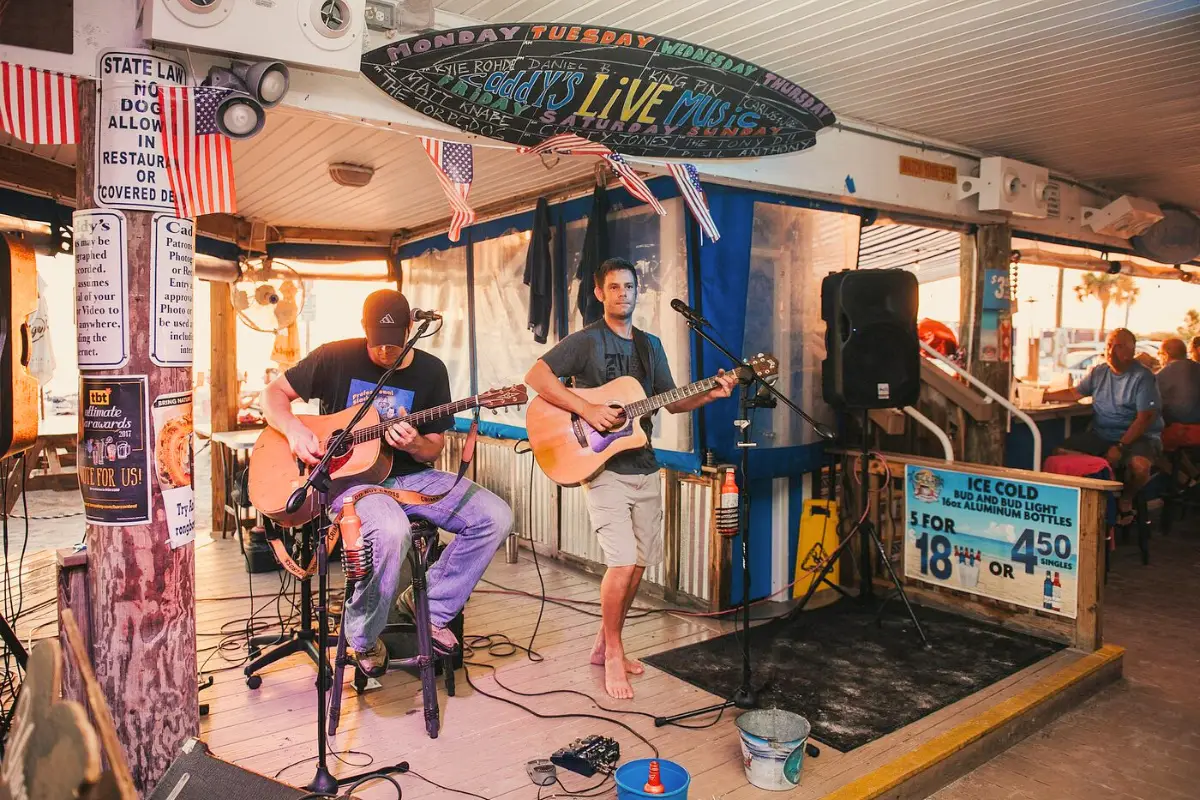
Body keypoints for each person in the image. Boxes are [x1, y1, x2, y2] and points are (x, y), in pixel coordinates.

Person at [261, 289, 513, 676]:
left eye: (394, 346)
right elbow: (274, 394)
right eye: (378, 346)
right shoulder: (335, 356)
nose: (385, 354)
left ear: (412, 328)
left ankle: (431, 606)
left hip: (413, 477)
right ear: (363, 330)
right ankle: (363, 637)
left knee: (495, 516)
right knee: (393, 532)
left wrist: (414, 442)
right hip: (351, 485)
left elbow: (432, 450)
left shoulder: (431, 371)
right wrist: (294, 430)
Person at [524, 258, 737, 699]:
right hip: (602, 468)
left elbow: (672, 402)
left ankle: (605, 643)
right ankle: (617, 651)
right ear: (600, 294)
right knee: (621, 562)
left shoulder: (650, 346)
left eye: (630, 287)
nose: (623, 293)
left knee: (639, 563)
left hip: (643, 465)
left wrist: (711, 393)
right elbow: (536, 376)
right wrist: (588, 409)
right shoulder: (587, 341)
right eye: (615, 287)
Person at [1044, 328, 1161, 525]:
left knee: (1140, 467)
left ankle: (1125, 499)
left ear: (1131, 352)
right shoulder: (1099, 372)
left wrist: (1121, 447)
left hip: (1138, 437)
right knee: (1059, 453)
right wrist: (1043, 396)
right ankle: (1105, 477)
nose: (1112, 351)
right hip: (1102, 434)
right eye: (1109, 345)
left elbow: (1144, 419)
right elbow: (1075, 393)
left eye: (1119, 346)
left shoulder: (1143, 377)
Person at [1156, 338, 1200, 479]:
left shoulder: (1164, 374)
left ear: (1166, 354)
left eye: (1160, 354)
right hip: (1196, 430)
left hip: (1183, 432)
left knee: (1147, 444)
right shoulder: (1197, 367)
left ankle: (1183, 478)